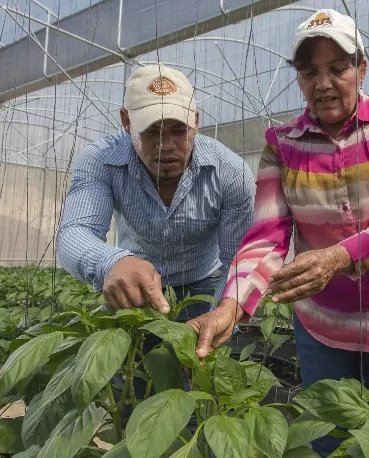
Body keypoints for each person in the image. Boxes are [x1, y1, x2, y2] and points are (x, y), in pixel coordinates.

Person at [186, 8, 369, 456]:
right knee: (329, 439)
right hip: (325, 322)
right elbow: (267, 235)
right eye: (309, 72)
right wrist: (231, 304)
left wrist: (335, 259)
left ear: (361, 68)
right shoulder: (281, 146)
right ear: (299, 79)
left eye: (337, 67)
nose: (323, 83)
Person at [58, 64, 255, 322]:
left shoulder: (230, 171)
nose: (166, 145)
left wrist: (224, 313)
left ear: (195, 122)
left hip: (205, 283)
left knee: (206, 354)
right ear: (126, 122)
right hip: (135, 283)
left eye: (178, 130)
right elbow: (75, 231)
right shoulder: (101, 160)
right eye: (151, 131)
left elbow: (236, 258)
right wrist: (112, 262)